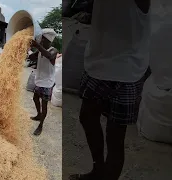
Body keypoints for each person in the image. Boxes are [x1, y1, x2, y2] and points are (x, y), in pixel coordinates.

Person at [69, 0, 151, 180]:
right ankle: (98, 170)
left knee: (115, 137)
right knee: (87, 116)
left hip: (127, 69)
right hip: (99, 61)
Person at [28, 28, 58, 136]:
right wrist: (27, 48)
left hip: (47, 83)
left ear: (48, 41)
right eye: (40, 40)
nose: (41, 41)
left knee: (44, 104)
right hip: (39, 81)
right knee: (35, 98)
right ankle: (38, 115)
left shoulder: (53, 50)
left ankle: (41, 125)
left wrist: (37, 46)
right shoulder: (40, 51)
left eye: (42, 40)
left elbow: (50, 56)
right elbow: (31, 57)